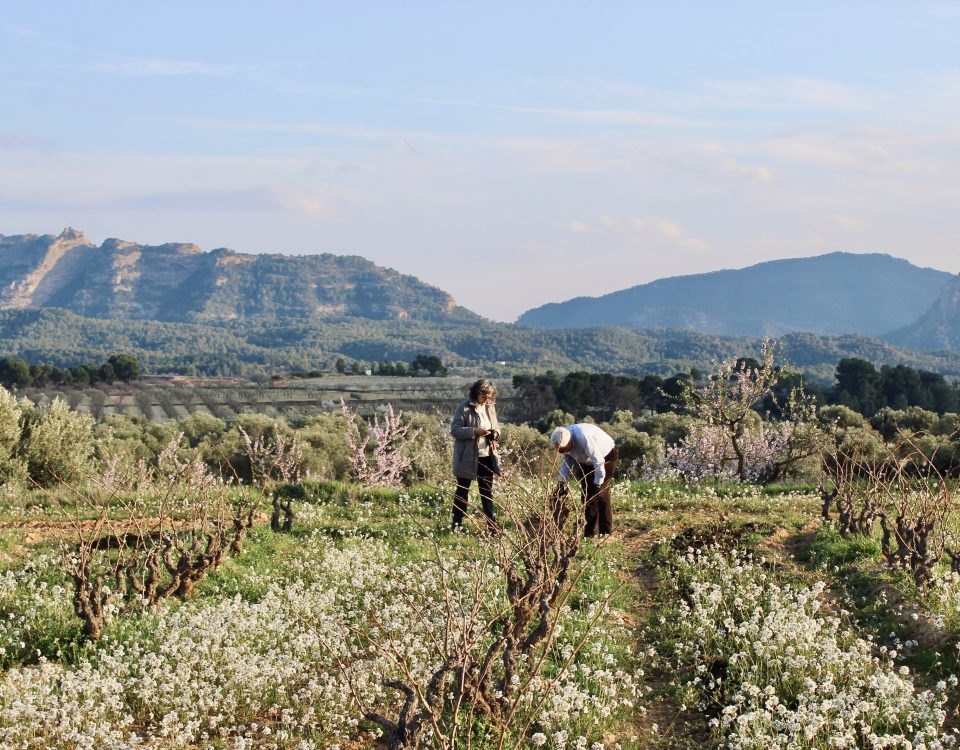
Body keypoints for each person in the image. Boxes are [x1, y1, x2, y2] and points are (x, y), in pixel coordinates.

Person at [449, 378, 501, 532]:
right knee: (462, 491)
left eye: (489, 397)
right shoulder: (464, 408)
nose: (487, 400)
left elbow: (497, 427)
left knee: (486, 492)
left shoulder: (490, 407)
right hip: (467, 457)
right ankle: (457, 525)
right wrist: (474, 431)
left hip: (487, 456)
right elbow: (455, 430)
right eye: (484, 396)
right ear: (476, 393)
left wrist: (495, 434)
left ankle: (492, 527)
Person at [550, 423, 619, 537]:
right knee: (587, 494)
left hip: (606, 456)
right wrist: (562, 482)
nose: (562, 452)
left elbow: (598, 461)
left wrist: (598, 483)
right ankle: (590, 533)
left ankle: (605, 532)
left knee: (601, 493)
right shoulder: (562, 438)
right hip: (586, 461)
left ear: (570, 443)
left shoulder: (583, 437)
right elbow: (567, 462)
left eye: (564, 449)